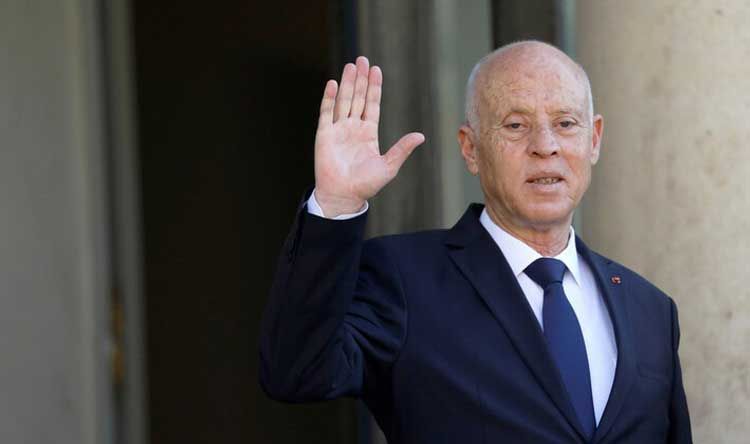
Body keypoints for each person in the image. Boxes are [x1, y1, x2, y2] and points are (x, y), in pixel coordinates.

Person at [259, 41, 692, 443]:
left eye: (565, 123)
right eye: (516, 125)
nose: (545, 146)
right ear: (470, 149)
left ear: (593, 139)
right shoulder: (404, 280)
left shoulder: (650, 309)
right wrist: (336, 204)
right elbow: (297, 372)